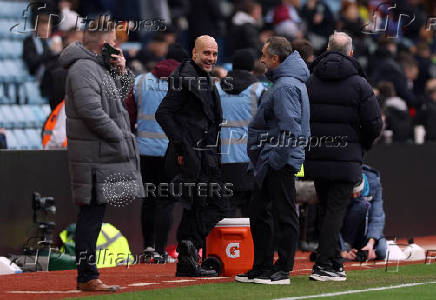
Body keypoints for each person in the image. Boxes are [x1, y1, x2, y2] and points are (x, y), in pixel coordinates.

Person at [59, 17, 144, 291]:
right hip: (93, 159)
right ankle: (87, 276)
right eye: (114, 39)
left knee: (93, 216)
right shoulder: (84, 69)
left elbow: (119, 99)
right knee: (90, 217)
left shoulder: (99, 67)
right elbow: (91, 111)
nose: (118, 43)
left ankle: (88, 275)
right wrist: (118, 135)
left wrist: (121, 71)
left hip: (100, 157)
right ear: (105, 42)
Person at [305, 32, 382, 281]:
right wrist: (361, 146)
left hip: (316, 156)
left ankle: (333, 261)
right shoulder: (359, 83)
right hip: (346, 158)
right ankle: (325, 265)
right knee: (335, 211)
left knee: (326, 209)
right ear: (350, 52)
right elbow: (374, 124)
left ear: (327, 48)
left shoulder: (311, 80)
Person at [235, 36, 310, 285]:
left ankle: (282, 268)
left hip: (277, 159)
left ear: (276, 59)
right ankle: (263, 266)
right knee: (259, 212)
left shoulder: (285, 86)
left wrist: (276, 159)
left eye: (265, 55)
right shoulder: (285, 83)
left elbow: (290, 128)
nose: (262, 60)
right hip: (273, 158)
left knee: (283, 213)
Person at [155, 35, 226, 277]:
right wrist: (183, 147)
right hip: (192, 156)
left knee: (203, 206)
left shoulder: (203, 77)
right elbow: (163, 113)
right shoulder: (184, 78)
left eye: (214, 54)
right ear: (194, 53)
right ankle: (188, 255)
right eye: (207, 53)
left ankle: (189, 255)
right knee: (208, 205)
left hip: (205, 156)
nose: (211, 58)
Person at [132, 44, 189, 263]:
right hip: (171, 152)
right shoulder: (184, 83)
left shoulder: (140, 81)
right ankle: (161, 250)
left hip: (144, 150)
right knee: (166, 201)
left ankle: (148, 247)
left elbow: (129, 114)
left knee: (149, 200)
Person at [217, 49, 265, 217]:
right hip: (251, 162)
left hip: (222, 160)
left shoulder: (216, 88)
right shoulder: (259, 90)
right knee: (252, 217)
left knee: (224, 215)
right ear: (252, 67)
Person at [340, 165, 387, 261]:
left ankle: (357, 250)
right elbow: (332, 220)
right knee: (361, 206)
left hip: (364, 233)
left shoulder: (374, 183)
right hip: (344, 232)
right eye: (351, 192)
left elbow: (377, 217)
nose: (354, 195)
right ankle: (345, 246)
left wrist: (370, 244)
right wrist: (342, 249)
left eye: (357, 192)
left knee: (381, 252)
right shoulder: (340, 183)